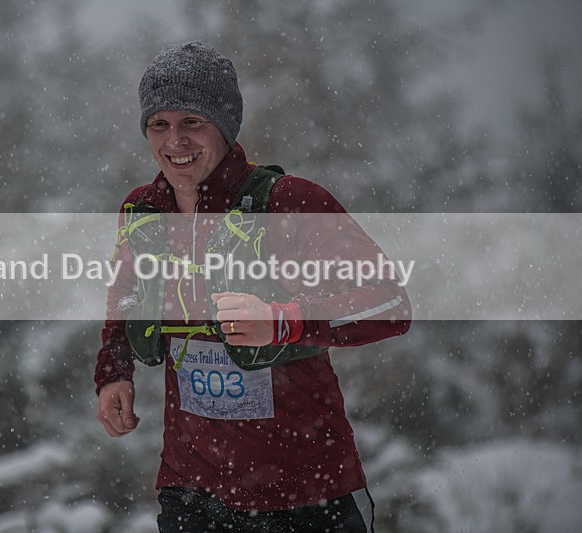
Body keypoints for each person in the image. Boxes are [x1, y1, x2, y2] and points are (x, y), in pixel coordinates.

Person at [94, 41, 411, 532]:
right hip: (191, 491)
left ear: (224, 125)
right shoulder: (144, 212)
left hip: (307, 492)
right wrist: (114, 370)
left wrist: (286, 321)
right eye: (159, 124)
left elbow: (390, 303)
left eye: (192, 122)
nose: (174, 141)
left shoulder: (287, 202)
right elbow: (125, 292)